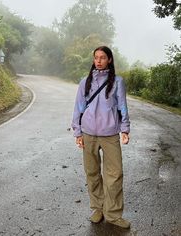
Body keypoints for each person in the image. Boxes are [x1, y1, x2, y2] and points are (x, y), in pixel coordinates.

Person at [71, 46, 131, 229]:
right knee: (92, 173)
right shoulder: (85, 81)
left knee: (115, 174)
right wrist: (77, 132)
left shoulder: (117, 82)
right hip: (88, 133)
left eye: (102, 57)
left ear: (109, 60)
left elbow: (122, 106)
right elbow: (78, 107)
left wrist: (125, 129)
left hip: (110, 134)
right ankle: (98, 208)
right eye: (96, 57)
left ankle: (112, 214)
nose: (98, 60)